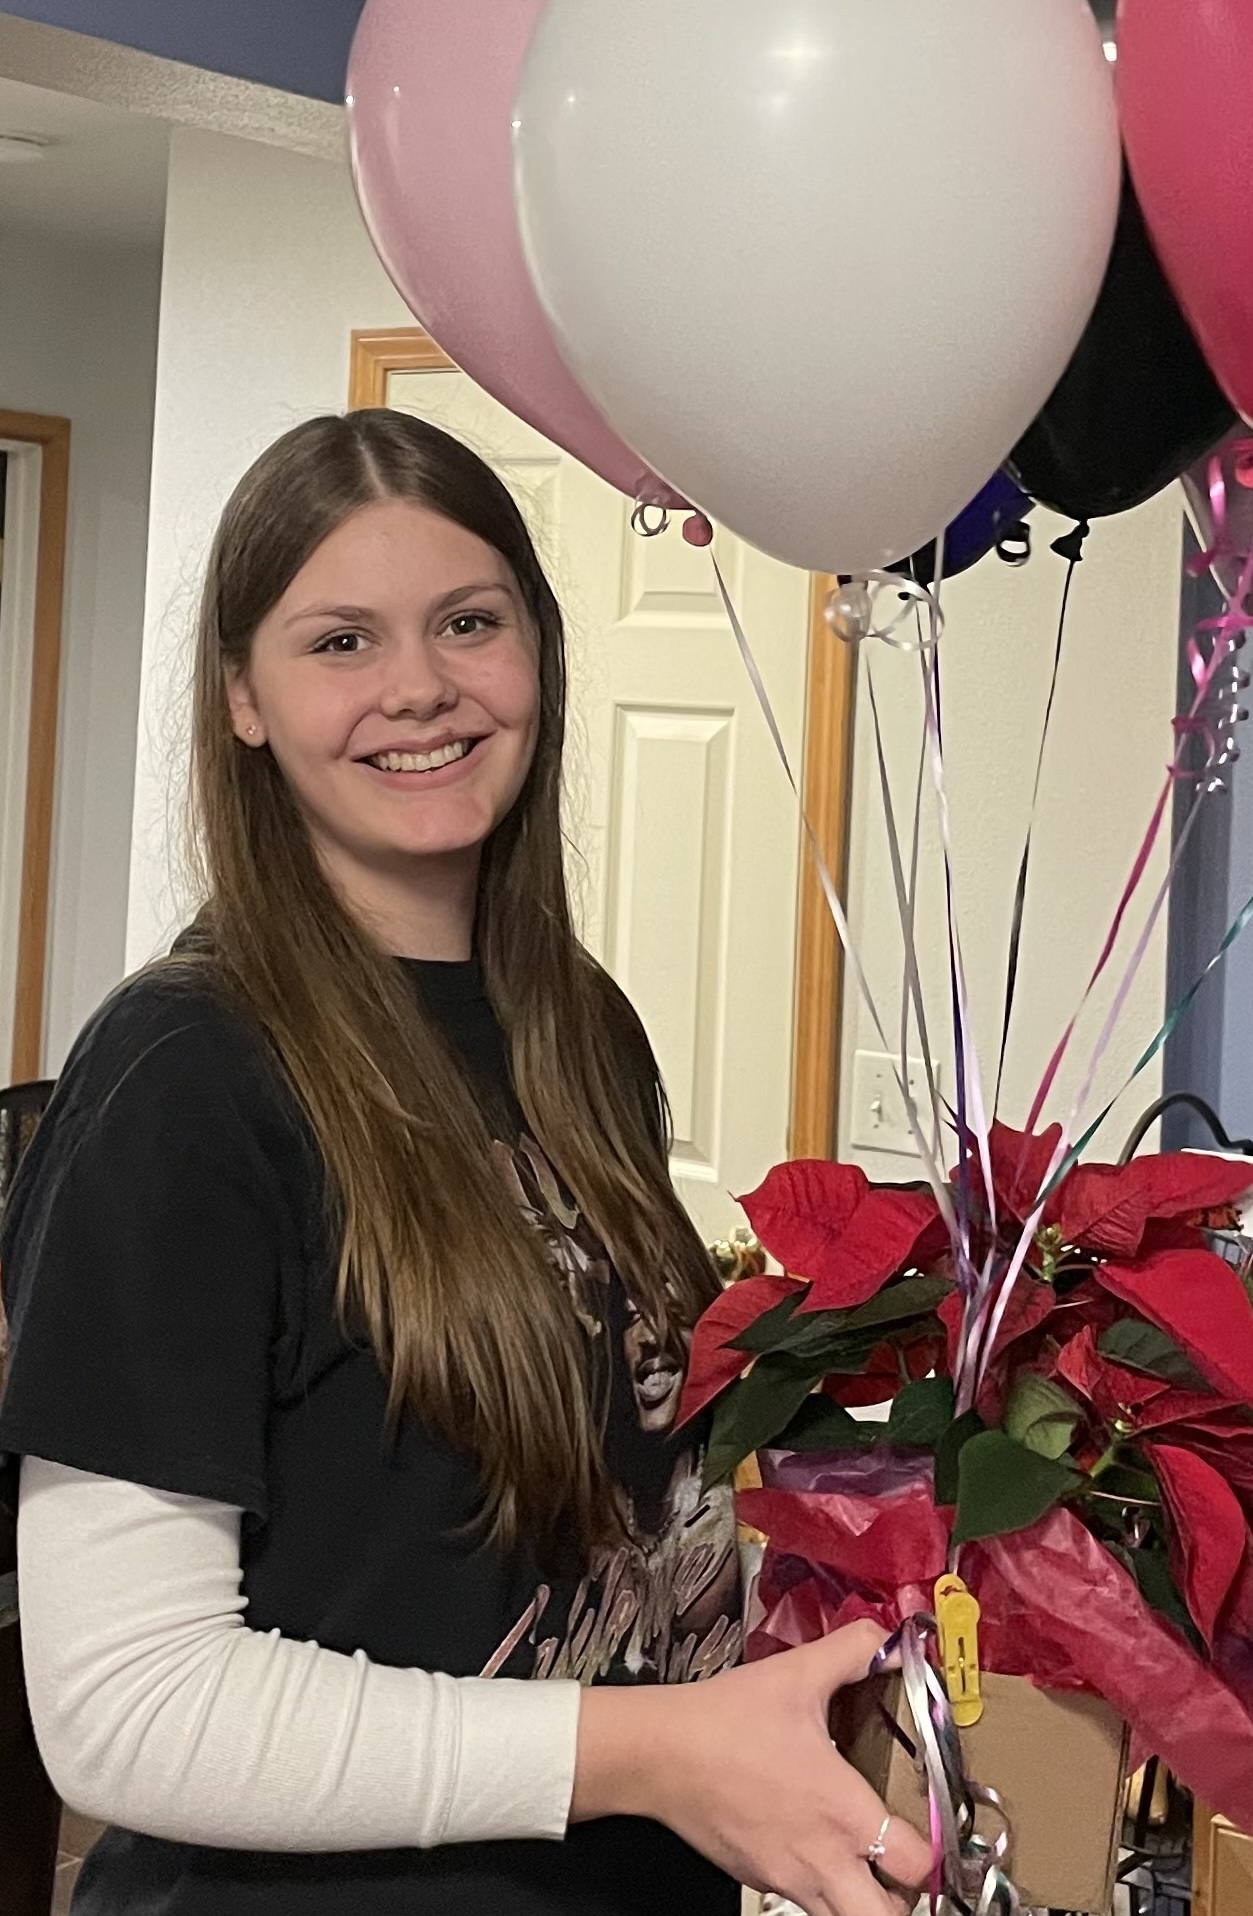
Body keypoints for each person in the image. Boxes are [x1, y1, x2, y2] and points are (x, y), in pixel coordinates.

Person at [0, 410, 930, 1916]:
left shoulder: (576, 1028)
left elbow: (584, 1547)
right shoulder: (187, 1080)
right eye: (340, 642)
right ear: (241, 696)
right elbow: (126, 1708)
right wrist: (647, 1754)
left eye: (467, 623)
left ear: (538, 656)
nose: (420, 686)